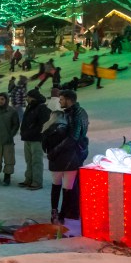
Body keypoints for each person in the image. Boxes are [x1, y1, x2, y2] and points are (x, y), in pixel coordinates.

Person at [42, 89, 89, 224]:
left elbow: (74, 137)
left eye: (61, 99)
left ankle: (61, 213)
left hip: (71, 155)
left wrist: (55, 150)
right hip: (70, 155)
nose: (60, 101)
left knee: (65, 187)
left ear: (68, 100)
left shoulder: (77, 114)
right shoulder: (72, 113)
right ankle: (59, 213)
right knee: (63, 186)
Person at [18, 88, 51, 190]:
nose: (26, 98)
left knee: (36, 161)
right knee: (29, 160)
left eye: (28, 97)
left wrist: (32, 132)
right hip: (28, 138)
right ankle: (29, 179)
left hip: (37, 139)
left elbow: (43, 125)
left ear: (32, 97)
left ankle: (37, 181)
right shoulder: (30, 107)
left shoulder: (42, 108)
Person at [0, 92, 20, 185]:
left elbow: (16, 125)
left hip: (8, 140)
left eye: (2, 99)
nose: (0, 101)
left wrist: (10, 135)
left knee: (9, 159)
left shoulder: (12, 111)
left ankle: (7, 177)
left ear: (6, 100)